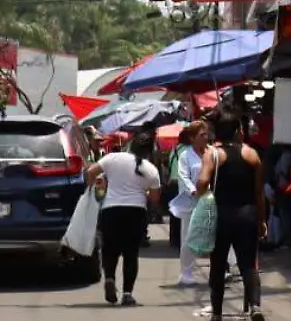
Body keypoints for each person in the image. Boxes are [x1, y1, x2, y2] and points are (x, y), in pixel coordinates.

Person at [198, 112, 267, 321]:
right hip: (247, 214)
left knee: (218, 265)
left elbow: (202, 182)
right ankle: (255, 307)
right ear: (238, 131)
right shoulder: (252, 155)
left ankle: (217, 317)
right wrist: (262, 219)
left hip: (221, 216)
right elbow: (259, 193)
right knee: (249, 264)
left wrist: (202, 194)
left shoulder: (213, 155)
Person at [85, 130, 161, 306]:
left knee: (110, 249)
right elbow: (155, 199)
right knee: (131, 254)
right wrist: (144, 191)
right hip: (136, 212)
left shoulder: (113, 158)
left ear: (131, 145)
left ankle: (110, 278)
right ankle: (127, 293)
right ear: (149, 151)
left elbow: (91, 171)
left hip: (111, 210)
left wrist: (91, 188)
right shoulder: (151, 170)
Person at [167, 122, 209, 287]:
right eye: (201, 135)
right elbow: (182, 176)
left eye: (206, 134)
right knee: (188, 237)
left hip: (209, 199)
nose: (205, 138)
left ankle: (224, 268)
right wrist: (193, 190)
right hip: (190, 201)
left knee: (215, 234)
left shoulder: (211, 153)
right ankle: (186, 272)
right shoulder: (185, 155)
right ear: (192, 138)